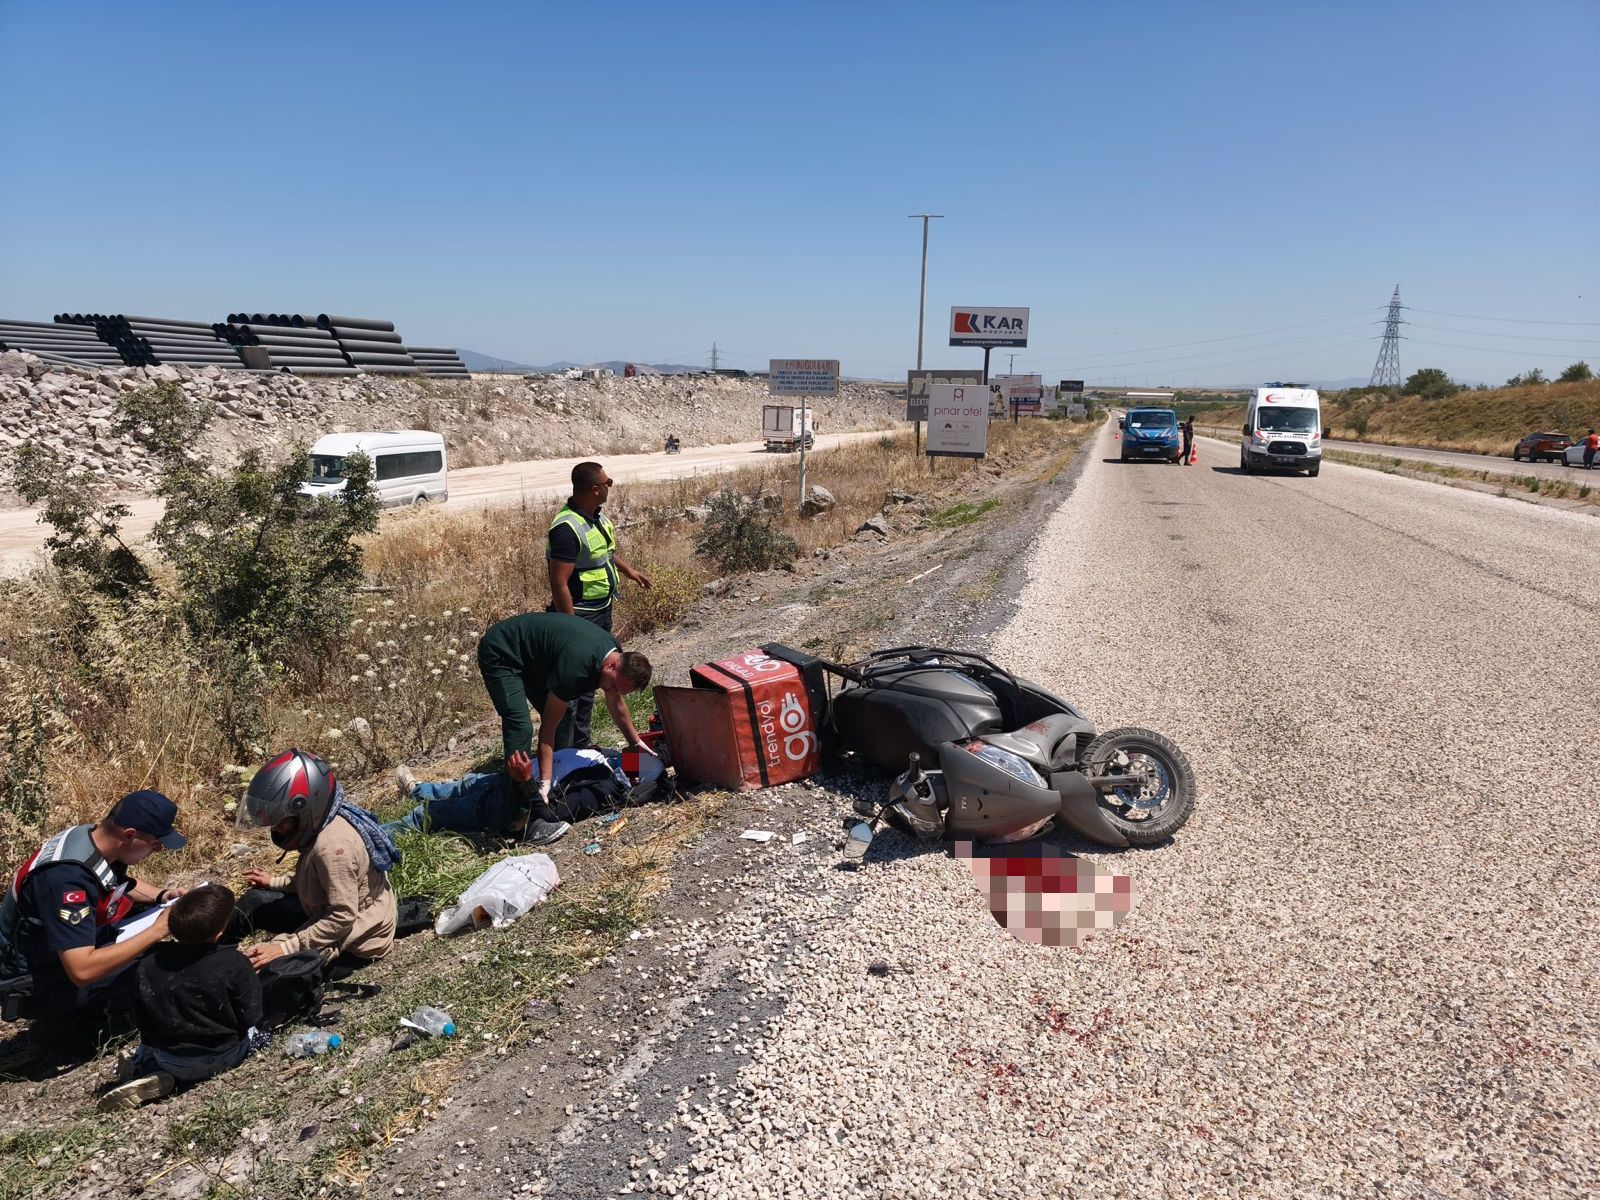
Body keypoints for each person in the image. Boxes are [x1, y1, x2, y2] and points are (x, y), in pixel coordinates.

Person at [0, 790, 187, 1033]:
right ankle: (74, 1030)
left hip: (58, 955)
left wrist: (162, 895)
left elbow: (113, 882)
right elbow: (82, 970)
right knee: (158, 966)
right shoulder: (66, 882)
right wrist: (157, 930)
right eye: (155, 844)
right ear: (129, 835)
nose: (159, 850)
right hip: (39, 986)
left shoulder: (91, 837)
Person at [477, 612, 654, 845]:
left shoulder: (615, 653)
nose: (610, 690)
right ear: (612, 665)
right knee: (521, 726)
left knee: (565, 715)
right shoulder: (577, 669)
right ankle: (515, 806)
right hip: (503, 650)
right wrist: (544, 783)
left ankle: (551, 783)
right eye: (611, 685)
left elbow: (616, 703)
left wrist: (637, 743)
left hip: (535, 657)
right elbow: (548, 729)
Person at [235, 749, 398, 976]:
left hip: (357, 939)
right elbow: (319, 882)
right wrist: (274, 882)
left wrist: (284, 947)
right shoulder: (324, 823)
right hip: (331, 915)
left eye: (279, 821)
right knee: (255, 901)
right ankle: (211, 949)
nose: (276, 829)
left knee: (270, 972)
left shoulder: (333, 849)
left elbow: (342, 918)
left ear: (305, 807)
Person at [99, 885, 262, 1110]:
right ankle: (154, 1069)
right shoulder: (234, 962)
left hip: (171, 1059)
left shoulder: (148, 964)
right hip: (225, 1054)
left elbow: (144, 1022)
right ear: (219, 934)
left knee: (151, 1044)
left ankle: (144, 1066)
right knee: (259, 1032)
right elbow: (251, 1016)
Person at [547, 461, 652, 748]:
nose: (610, 486)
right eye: (607, 482)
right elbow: (559, 583)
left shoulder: (598, 518)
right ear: (595, 489)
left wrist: (629, 571)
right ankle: (564, 752)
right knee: (577, 685)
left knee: (596, 681)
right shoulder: (566, 528)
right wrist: (570, 630)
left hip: (601, 611)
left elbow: (605, 554)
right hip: (580, 617)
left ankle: (582, 741)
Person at [383, 746, 666, 840]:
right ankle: (418, 790)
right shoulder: (610, 758)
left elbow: (552, 815)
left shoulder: (602, 790)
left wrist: (528, 782)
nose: (630, 757)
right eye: (635, 754)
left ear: (635, 778)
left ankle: (367, 838)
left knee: (428, 816)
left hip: (510, 799)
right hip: (509, 778)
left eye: (635, 762)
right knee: (462, 785)